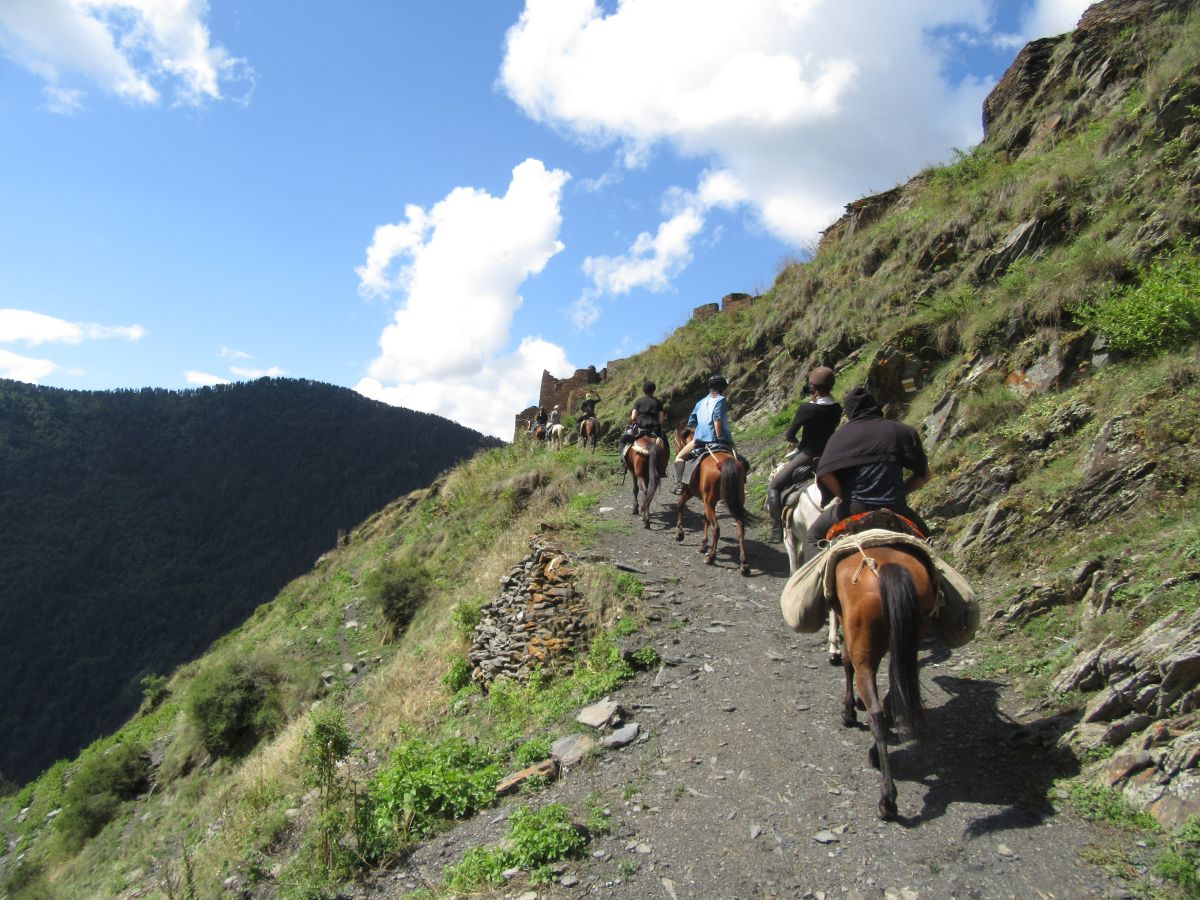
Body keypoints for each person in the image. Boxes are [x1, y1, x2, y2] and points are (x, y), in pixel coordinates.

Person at [803, 386, 931, 564]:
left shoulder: (840, 436)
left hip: (855, 508)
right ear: (877, 406)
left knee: (813, 537)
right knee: (929, 544)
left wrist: (843, 496)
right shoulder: (902, 431)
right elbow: (924, 476)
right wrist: (901, 491)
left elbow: (824, 474)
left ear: (849, 411)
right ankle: (941, 584)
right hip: (895, 508)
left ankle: (812, 588)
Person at [767, 366, 842, 543]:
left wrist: (793, 439)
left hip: (808, 454)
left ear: (812, 386)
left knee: (774, 486)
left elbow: (790, 434)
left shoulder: (807, 408)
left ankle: (777, 529)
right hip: (830, 454)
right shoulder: (837, 407)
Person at [674, 374, 734, 487]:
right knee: (738, 458)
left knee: (679, 457)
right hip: (719, 438)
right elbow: (717, 418)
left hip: (699, 440)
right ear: (722, 388)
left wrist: (701, 430)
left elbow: (691, 423)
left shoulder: (699, 403)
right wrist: (719, 436)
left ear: (710, 387)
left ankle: (681, 485)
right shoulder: (721, 399)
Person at [618, 380, 668, 470]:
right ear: (654, 390)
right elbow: (660, 421)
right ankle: (664, 466)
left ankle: (623, 465)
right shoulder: (658, 402)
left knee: (623, 440)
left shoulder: (638, 402)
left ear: (644, 390)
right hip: (654, 430)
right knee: (665, 444)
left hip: (639, 430)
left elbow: (633, 417)